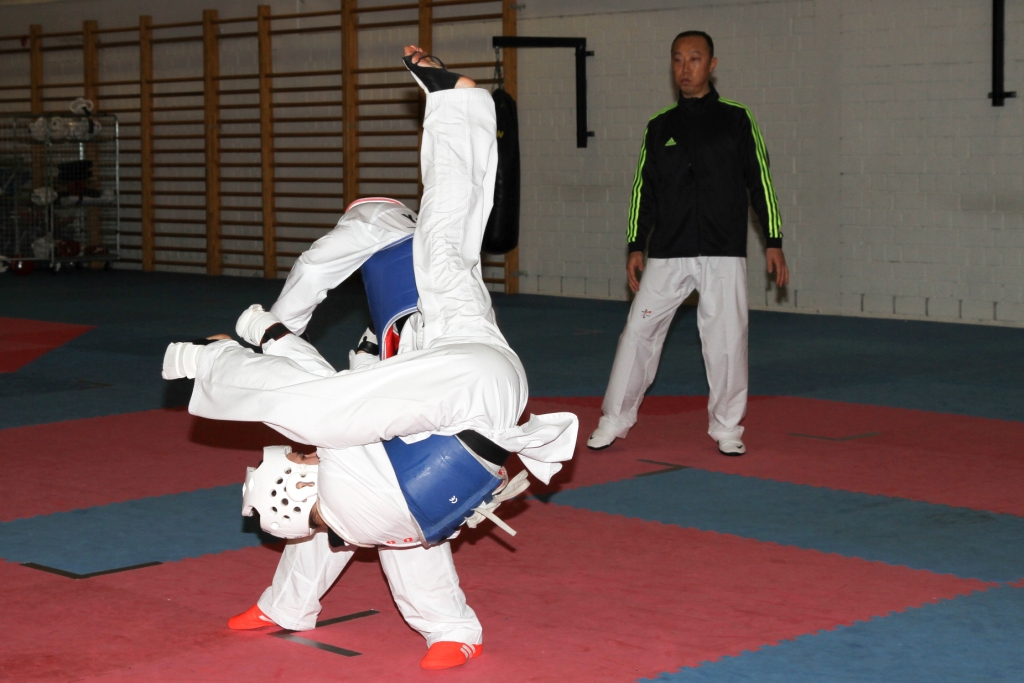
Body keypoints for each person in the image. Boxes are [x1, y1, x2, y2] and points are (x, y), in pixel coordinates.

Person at [162, 46, 577, 670]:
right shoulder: (405, 235)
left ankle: (339, 612)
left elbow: (315, 274)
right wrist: (264, 338)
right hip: (459, 363)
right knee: (346, 469)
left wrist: (270, 331)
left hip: (461, 368)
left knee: (346, 470)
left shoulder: (375, 226)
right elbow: (325, 376)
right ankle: (458, 106)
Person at [587, 30, 789, 456]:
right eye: (677, 59)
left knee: (726, 341)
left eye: (694, 59)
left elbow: (761, 182)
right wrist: (635, 244)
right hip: (668, 252)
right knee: (638, 332)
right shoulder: (659, 126)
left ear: (711, 65)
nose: (685, 68)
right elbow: (643, 190)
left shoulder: (737, 119)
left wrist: (773, 239)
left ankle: (727, 427)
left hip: (723, 250)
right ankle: (614, 419)